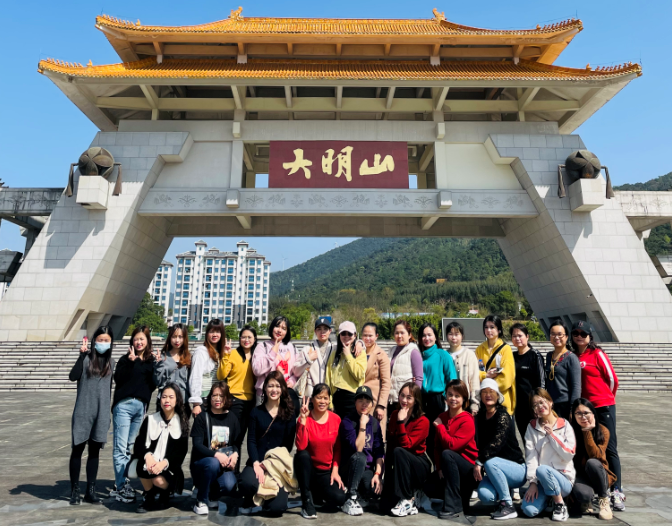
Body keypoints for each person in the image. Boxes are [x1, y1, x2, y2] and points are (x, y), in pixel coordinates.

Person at [570, 320, 624, 511]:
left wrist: (606, 399)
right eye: (575, 333)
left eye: (583, 333)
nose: (579, 336)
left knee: (609, 447)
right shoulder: (573, 356)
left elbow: (612, 379)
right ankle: (596, 484)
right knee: (589, 446)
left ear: (590, 336)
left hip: (603, 405)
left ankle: (616, 489)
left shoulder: (597, 353)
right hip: (585, 409)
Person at [238, 371, 297, 516]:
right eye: (270, 386)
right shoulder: (256, 412)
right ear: (264, 388)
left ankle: (264, 500)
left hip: (277, 465)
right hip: (257, 462)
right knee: (246, 483)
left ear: (283, 388)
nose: (274, 390)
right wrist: (257, 463)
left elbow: (288, 446)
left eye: (278, 386)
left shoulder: (289, 414)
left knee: (277, 509)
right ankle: (252, 497)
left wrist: (270, 465)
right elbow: (251, 441)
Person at [68, 327, 115, 506]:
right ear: (94, 341)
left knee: (94, 452)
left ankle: (91, 490)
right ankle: (74, 491)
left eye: (106, 340)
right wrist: (81, 356)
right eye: (100, 340)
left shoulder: (112, 363)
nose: (103, 343)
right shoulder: (86, 359)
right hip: (83, 411)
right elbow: (72, 376)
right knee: (77, 450)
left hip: (101, 413)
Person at [110, 326, 157, 503]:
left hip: (140, 407)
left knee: (130, 446)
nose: (139, 342)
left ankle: (122, 482)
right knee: (120, 447)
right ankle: (121, 486)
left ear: (147, 341)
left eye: (142, 339)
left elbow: (153, 384)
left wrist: (157, 365)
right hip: (124, 405)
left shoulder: (151, 361)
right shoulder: (125, 359)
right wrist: (130, 362)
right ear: (132, 342)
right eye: (136, 339)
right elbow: (118, 379)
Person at [132, 384, 189, 513]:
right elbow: (139, 443)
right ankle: (149, 495)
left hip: (170, 467)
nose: (167, 401)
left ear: (177, 400)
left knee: (158, 479)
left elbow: (181, 452)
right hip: (151, 462)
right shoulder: (151, 419)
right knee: (142, 466)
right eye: (164, 397)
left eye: (171, 397)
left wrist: (164, 463)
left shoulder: (181, 422)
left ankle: (165, 493)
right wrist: (148, 456)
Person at [474, 379, 526, 521]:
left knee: (490, 462)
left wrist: (479, 462)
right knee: (485, 496)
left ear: (498, 396)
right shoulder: (479, 417)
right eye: (484, 392)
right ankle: (505, 492)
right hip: (495, 470)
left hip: (516, 469)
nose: (488, 395)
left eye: (491, 392)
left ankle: (508, 506)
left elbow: (496, 444)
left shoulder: (503, 416)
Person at [521, 388, 576, 522]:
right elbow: (531, 457)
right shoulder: (532, 428)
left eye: (542, 402)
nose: (540, 407)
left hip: (563, 478)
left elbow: (569, 454)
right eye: (535, 405)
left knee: (543, 469)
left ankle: (559, 504)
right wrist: (533, 482)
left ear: (550, 402)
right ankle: (548, 499)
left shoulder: (564, 425)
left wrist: (552, 435)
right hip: (541, 479)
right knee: (529, 510)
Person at [294, 383, 347, 519]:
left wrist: (335, 470)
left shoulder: (336, 419)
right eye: (319, 397)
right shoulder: (305, 418)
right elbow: (300, 446)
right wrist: (303, 420)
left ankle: (316, 496)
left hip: (326, 472)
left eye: (325, 398)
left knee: (340, 498)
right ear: (312, 400)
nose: (322, 401)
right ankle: (306, 500)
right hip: (309, 470)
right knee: (303, 455)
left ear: (329, 400)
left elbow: (338, 448)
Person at [429, 379, 478, 525]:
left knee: (448, 454)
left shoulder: (467, 420)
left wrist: (440, 427)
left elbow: (452, 445)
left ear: (464, 399)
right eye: (450, 394)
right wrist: (438, 468)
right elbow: (437, 447)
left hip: (468, 470)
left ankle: (454, 508)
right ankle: (453, 502)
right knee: (428, 485)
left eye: (457, 396)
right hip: (449, 466)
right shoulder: (442, 417)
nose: (453, 399)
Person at [190, 382, 241, 515]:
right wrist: (216, 455)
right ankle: (200, 500)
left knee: (230, 484)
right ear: (209, 397)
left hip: (222, 465)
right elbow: (197, 445)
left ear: (227, 398)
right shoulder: (202, 417)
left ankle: (212, 495)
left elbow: (236, 443)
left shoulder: (232, 418)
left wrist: (235, 454)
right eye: (214, 395)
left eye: (221, 395)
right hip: (203, 463)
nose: (217, 399)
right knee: (212, 463)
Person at [381, 382, 430, 518]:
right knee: (385, 507)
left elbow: (407, 446)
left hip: (418, 464)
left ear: (416, 401)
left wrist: (401, 423)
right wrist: (383, 476)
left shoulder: (423, 421)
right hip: (399, 464)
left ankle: (408, 499)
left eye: (409, 397)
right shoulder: (395, 414)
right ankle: (412, 495)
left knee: (399, 451)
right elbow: (390, 447)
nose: (404, 400)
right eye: (402, 396)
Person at [338, 386, 385, 516]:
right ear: (355, 403)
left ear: (372, 404)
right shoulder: (347, 421)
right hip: (350, 469)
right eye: (360, 400)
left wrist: (377, 474)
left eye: (367, 401)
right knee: (360, 456)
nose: (364, 403)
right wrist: (363, 425)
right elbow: (358, 449)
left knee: (374, 490)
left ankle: (361, 495)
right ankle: (351, 497)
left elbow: (379, 451)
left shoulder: (375, 423)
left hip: (367, 470)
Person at [217, 325, 257, 471]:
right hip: (234, 400)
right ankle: (222, 469)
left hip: (251, 401)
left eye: (249, 337)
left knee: (240, 438)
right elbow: (221, 375)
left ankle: (234, 473)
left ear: (255, 339)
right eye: (243, 337)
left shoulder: (257, 355)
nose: (246, 340)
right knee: (227, 436)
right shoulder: (233, 353)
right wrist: (225, 355)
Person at [569, 398, 614, 520]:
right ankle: (586, 500)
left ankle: (604, 500)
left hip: (598, 472)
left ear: (593, 413)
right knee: (583, 495)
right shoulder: (570, 430)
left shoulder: (603, 430)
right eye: (578, 413)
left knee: (592, 462)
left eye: (586, 413)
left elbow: (596, 456)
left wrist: (587, 431)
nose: (583, 417)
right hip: (580, 474)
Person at [418, 322, 457, 460]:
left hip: (438, 400)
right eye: (423, 335)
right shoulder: (418, 355)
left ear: (436, 337)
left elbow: (452, 379)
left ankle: (440, 469)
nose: (426, 338)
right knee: (424, 436)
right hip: (422, 400)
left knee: (437, 436)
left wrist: (447, 398)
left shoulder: (443, 355)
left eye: (429, 335)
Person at [253, 316, 307, 413]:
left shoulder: (292, 347)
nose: (279, 330)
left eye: (284, 328)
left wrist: (292, 380)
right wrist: (272, 353)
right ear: (272, 327)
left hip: (285, 394)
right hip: (265, 395)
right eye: (277, 326)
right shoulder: (263, 346)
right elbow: (257, 370)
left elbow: (297, 370)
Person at [475, 316, 516, 416]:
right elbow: (475, 372)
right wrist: (486, 376)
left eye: (492, 327)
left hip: (502, 401)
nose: (489, 330)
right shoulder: (479, 349)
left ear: (499, 330)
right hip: (484, 403)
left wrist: (487, 388)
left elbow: (507, 378)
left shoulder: (505, 349)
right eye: (486, 327)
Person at [510, 323, 545, 438]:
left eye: (520, 335)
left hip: (532, 405)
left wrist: (539, 404)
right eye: (514, 336)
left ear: (527, 336)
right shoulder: (512, 356)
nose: (517, 338)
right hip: (518, 406)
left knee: (537, 438)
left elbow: (541, 381)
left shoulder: (535, 355)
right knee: (525, 438)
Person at [325, 321, 367, 418]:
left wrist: (348, 355)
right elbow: (328, 378)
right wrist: (329, 401)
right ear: (339, 335)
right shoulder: (334, 354)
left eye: (350, 334)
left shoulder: (360, 353)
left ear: (355, 335)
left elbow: (359, 374)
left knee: (350, 430)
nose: (346, 336)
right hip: (336, 398)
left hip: (352, 397)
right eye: (343, 333)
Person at [545, 320, 581, 419]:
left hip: (565, 404)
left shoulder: (571, 358)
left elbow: (576, 387)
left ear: (566, 337)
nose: (556, 337)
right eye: (553, 334)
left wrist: (573, 409)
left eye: (560, 334)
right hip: (551, 404)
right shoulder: (549, 356)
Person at [189, 319, 224, 417]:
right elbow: (195, 375)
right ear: (207, 333)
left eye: (218, 332)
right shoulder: (201, 351)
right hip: (204, 398)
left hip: (217, 398)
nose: (214, 335)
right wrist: (196, 403)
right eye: (211, 331)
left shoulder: (221, 352)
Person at [361, 322, 391, 437]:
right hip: (360, 401)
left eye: (370, 335)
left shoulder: (381, 355)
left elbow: (386, 382)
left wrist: (381, 405)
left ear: (376, 336)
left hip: (374, 402)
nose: (367, 338)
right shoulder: (358, 352)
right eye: (365, 335)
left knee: (376, 438)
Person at [388, 320, 423, 415]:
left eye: (402, 333)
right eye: (396, 333)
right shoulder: (391, 351)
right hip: (392, 399)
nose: (399, 336)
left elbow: (419, 378)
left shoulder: (413, 352)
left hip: (406, 401)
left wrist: (413, 400)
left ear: (409, 335)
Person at [445, 321, 480, 414]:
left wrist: (475, 403)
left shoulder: (469, 355)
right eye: (450, 334)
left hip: (465, 403)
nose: (454, 337)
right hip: (447, 403)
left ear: (462, 336)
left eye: (457, 334)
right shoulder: (444, 355)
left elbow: (474, 380)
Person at [154, 323, 191, 407]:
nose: (177, 340)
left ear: (184, 338)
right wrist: (158, 365)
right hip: (166, 402)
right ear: (169, 338)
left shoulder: (189, 358)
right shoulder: (163, 357)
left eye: (180, 337)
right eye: (174, 337)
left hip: (183, 401)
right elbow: (157, 381)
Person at [297, 317, 335, 399]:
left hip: (330, 397)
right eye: (319, 329)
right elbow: (296, 371)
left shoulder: (335, 349)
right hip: (312, 396)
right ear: (315, 331)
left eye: (325, 329)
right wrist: (308, 359)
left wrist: (360, 343)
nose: (322, 332)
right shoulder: (307, 349)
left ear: (330, 331)